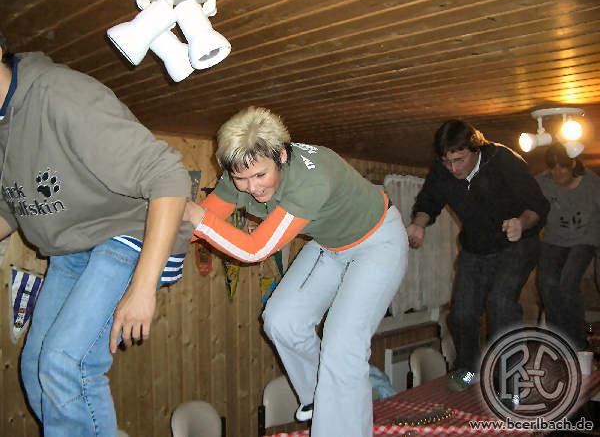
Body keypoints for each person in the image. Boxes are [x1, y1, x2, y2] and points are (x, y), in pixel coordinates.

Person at [0, 32, 191, 436]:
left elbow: (169, 176)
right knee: (36, 368)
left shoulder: (58, 94)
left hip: (133, 235)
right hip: (72, 250)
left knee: (67, 364)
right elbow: (9, 209)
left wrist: (142, 288)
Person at [184, 106, 408, 437]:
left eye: (260, 176)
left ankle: (338, 421)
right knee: (281, 321)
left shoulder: (311, 180)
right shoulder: (242, 169)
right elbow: (197, 222)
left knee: (342, 347)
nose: (252, 188)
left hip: (378, 241)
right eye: (241, 178)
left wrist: (197, 218)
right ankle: (324, 397)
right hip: (331, 245)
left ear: (282, 156)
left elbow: (254, 249)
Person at [406, 119, 549, 392]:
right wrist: (418, 224)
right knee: (461, 314)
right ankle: (468, 370)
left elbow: (538, 206)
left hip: (517, 243)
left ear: (476, 149)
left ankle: (510, 382)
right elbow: (428, 201)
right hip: (476, 246)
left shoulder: (503, 161)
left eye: (459, 160)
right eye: (447, 162)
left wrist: (521, 222)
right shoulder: (442, 170)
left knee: (500, 304)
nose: (453, 169)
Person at [536, 143, 600, 350]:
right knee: (547, 284)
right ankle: (560, 340)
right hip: (554, 239)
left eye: (561, 168)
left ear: (572, 164)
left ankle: (578, 342)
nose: (557, 173)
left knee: (568, 282)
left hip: (584, 238)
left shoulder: (592, 184)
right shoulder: (542, 182)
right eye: (552, 168)